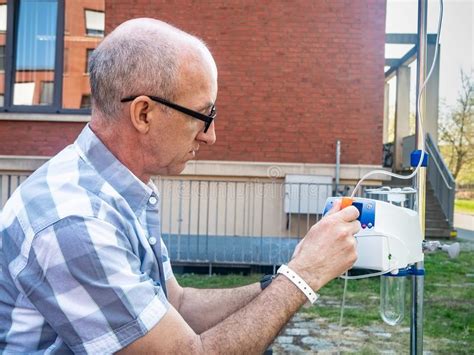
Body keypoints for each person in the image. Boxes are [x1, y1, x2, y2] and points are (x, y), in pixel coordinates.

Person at [0, 18, 360, 354]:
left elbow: (177, 305)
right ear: (144, 114)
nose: (211, 136)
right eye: (203, 116)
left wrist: (287, 273)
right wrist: (303, 277)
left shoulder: (119, 192)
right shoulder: (74, 222)